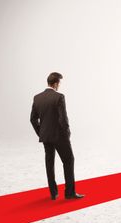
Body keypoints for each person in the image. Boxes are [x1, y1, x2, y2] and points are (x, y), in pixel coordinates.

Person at [30, 72, 84, 200]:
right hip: (59, 136)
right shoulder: (59, 97)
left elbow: (32, 119)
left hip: (46, 136)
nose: (59, 86)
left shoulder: (37, 97)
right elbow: (63, 120)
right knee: (69, 160)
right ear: (55, 84)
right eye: (59, 83)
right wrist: (67, 134)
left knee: (50, 163)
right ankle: (69, 193)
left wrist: (41, 132)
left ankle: (53, 193)